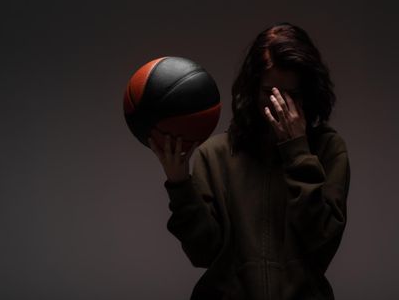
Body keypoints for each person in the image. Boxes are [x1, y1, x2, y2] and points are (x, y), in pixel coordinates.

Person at [148, 22, 351, 300]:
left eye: (291, 94)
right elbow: (203, 253)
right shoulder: (215, 154)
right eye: (270, 92)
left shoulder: (329, 150)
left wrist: (297, 151)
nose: (279, 104)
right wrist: (179, 183)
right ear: (253, 89)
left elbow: (322, 243)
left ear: (308, 92)